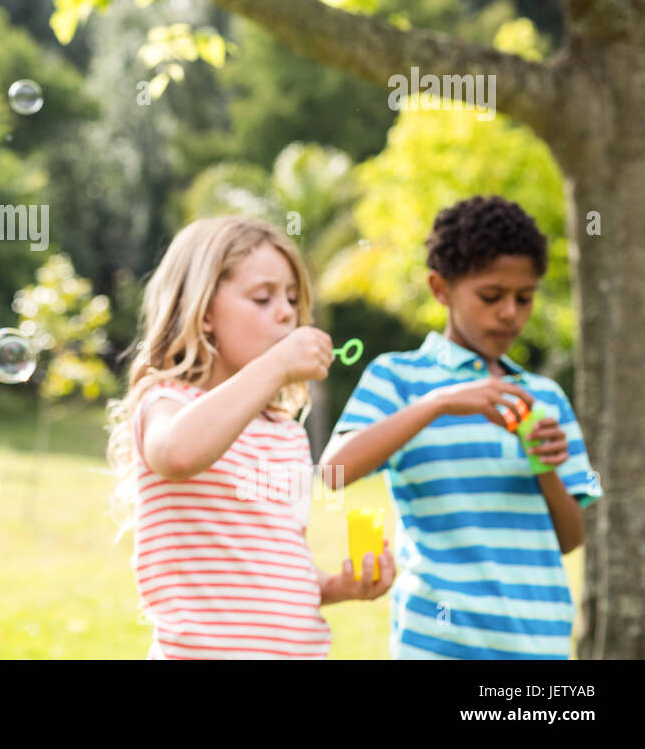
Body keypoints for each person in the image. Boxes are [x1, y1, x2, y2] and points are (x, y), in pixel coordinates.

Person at [321, 196, 599, 659]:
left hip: (539, 644)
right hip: (437, 645)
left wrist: (545, 468)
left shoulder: (545, 397)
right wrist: (439, 403)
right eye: (491, 296)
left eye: (524, 298)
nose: (510, 312)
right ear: (441, 288)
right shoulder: (399, 380)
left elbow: (572, 539)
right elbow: (332, 472)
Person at [106, 216, 393, 659]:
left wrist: (338, 587)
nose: (287, 312)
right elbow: (177, 454)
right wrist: (277, 365)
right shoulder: (168, 403)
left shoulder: (286, 434)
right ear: (203, 315)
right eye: (263, 298)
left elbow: (274, 565)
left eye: (293, 299)